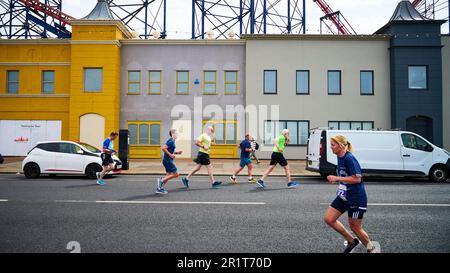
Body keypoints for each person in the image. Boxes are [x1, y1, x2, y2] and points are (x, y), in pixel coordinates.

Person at [323, 135, 380, 253]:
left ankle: (372, 249)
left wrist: (336, 178)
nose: (331, 147)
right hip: (344, 195)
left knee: (355, 227)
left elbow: (357, 179)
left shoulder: (350, 158)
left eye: (333, 145)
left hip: (356, 197)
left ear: (340, 146)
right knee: (329, 218)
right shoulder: (340, 156)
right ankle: (352, 241)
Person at [156, 129, 183, 194]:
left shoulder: (173, 141)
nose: (177, 135)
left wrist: (177, 153)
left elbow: (170, 150)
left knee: (168, 175)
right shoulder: (170, 141)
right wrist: (170, 155)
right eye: (176, 133)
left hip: (167, 160)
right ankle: (161, 180)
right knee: (176, 174)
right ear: (173, 134)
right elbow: (163, 148)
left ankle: (160, 188)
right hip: (168, 160)